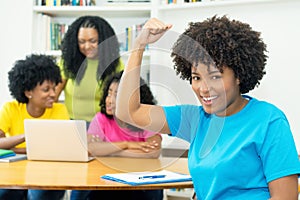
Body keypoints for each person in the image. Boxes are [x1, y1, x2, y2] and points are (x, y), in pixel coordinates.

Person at [116, 17, 300, 199]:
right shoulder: (194, 119)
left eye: (215, 77)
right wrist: (139, 46)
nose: (203, 88)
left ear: (239, 76)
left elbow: (286, 197)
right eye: (196, 77)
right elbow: (128, 112)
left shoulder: (269, 120)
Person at [71, 71, 163, 200]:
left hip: (137, 177)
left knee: (149, 189)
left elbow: (153, 152)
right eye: (109, 93)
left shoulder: (145, 118)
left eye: (117, 95)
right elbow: (90, 148)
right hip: (105, 177)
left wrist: (109, 151)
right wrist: (126, 144)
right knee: (82, 189)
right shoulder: (101, 118)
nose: (109, 100)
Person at [0, 54, 69, 200]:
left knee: (39, 195)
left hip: (48, 173)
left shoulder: (59, 110)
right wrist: (28, 136)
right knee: (5, 193)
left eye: (54, 88)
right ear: (28, 92)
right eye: (46, 89)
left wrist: (14, 149)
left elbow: (59, 149)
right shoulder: (11, 109)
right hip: (14, 172)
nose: (53, 94)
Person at [55, 15, 124, 126]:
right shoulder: (67, 62)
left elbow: (122, 100)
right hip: (71, 124)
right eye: (81, 41)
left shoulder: (115, 64)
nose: (87, 46)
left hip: (103, 125)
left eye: (93, 41)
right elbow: (53, 96)